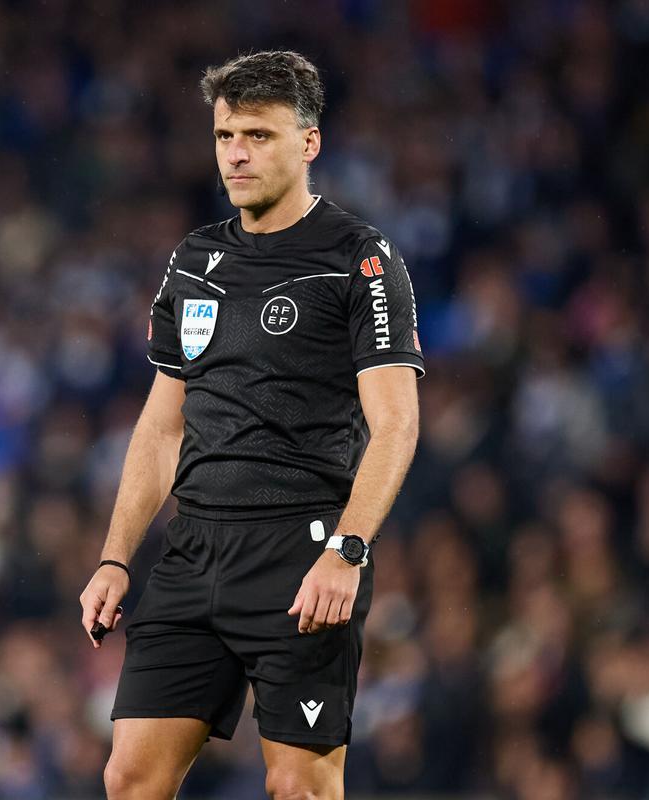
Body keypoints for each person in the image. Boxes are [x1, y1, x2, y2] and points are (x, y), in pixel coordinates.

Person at [79, 50, 424, 800]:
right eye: (225, 135)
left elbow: (396, 424)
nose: (236, 153)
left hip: (298, 555)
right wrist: (115, 558)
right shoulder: (194, 261)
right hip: (192, 549)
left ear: (309, 143)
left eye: (259, 136)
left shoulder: (358, 259)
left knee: (298, 787)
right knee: (130, 778)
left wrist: (349, 549)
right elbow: (162, 428)